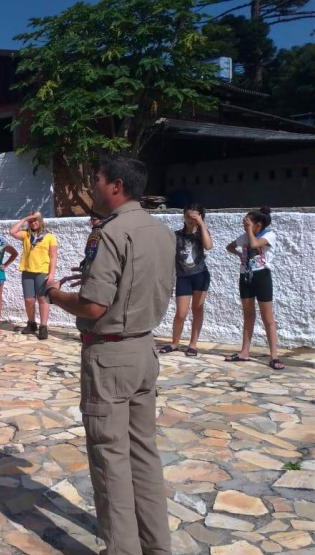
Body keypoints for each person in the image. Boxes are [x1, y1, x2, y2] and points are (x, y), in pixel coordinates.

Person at [42, 155, 173, 555]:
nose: (91, 187)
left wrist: (57, 296)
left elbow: (94, 306)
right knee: (143, 454)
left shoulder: (109, 234)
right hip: (143, 350)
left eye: (95, 179)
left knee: (110, 460)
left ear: (116, 185)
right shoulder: (160, 231)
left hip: (110, 355)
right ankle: (156, 547)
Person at [225, 207, 284, 369]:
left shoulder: (269, 235)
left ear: (258, 224)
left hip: (262, 275)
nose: (244, 225)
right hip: (245, 276)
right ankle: (244, 352)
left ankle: (274, 356)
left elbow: (254, 243)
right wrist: (239, 255)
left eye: (247, 222)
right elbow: (229, 246)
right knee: (248, 314)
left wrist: (250, 231)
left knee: (267, 317)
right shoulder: (245, 236)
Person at [160, 204, 213, 357]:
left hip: (200, 275)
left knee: (197, 310)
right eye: (188, 216)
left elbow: (209, 246)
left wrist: (201, 223)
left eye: (194, 217)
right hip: (183, 277)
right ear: (184, 216)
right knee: (181, 313)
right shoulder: (177, 235)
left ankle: (193, 344)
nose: (191, 220)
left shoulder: (202, 233)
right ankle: (175, 342)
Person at [10, 211, 58, 340]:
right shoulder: (26, 235)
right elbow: (12, 232)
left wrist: (52, 273)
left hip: (42, 272)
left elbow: (53, 256)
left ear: (40, 221)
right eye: (31, 221)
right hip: (27, 272)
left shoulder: (49, 237)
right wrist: (25, 218)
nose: (34, 223)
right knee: (29, 300)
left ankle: (43, 326)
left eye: (36, 220)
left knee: (42, 299)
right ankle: (31, 324)